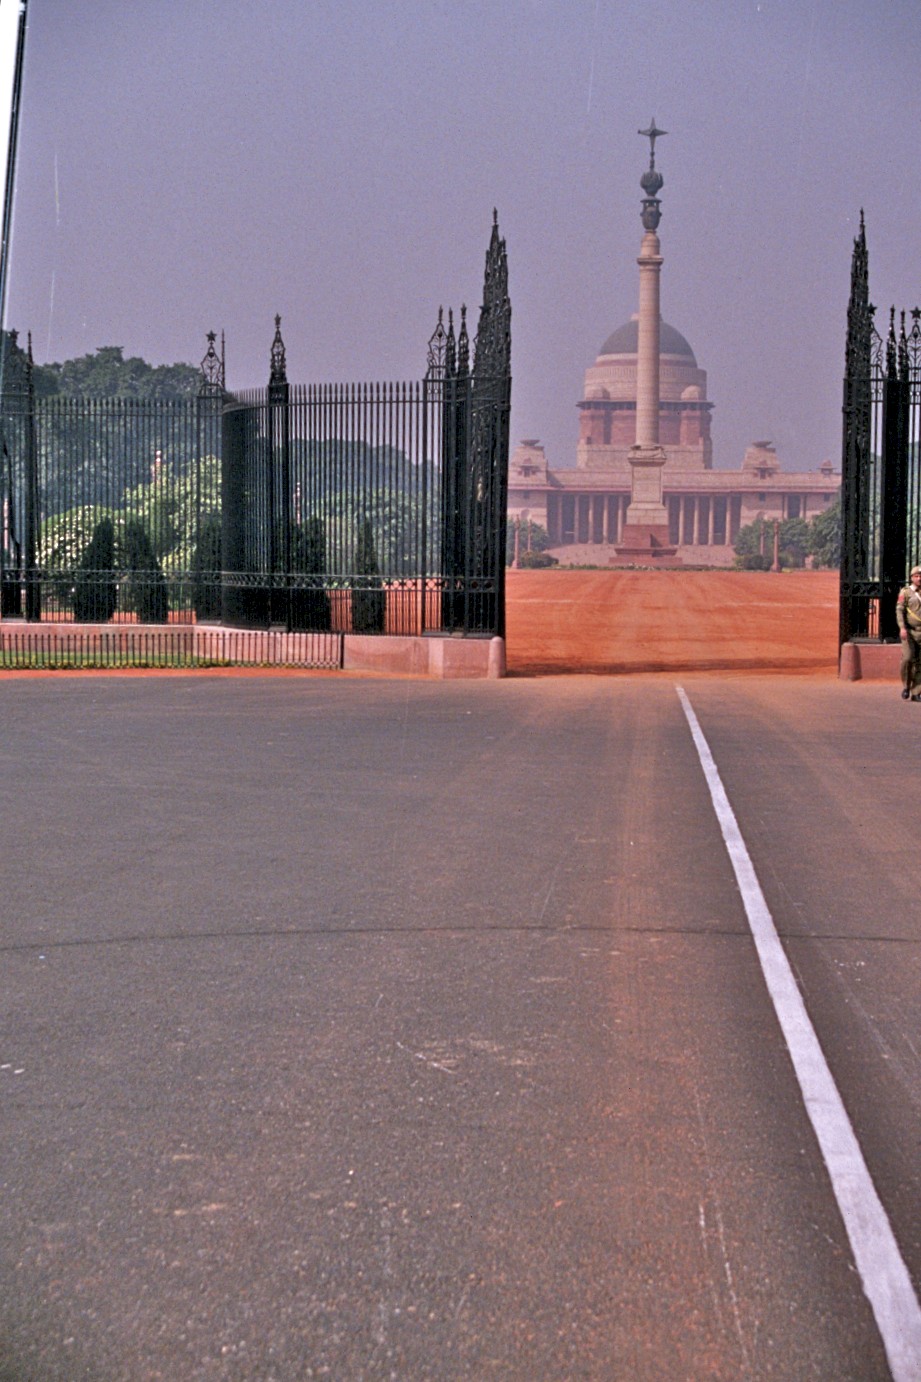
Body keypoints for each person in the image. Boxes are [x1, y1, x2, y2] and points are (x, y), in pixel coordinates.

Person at [896, 565, 921, 699]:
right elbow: (899, 610)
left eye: (920, 576)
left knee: (920, 662)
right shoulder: (905, 592)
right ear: (912, 578)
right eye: (916, 576)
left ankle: (916, 691)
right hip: (909, 632)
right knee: (907, 658)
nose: (919, 578)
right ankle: (906, 685)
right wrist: (902, 628)